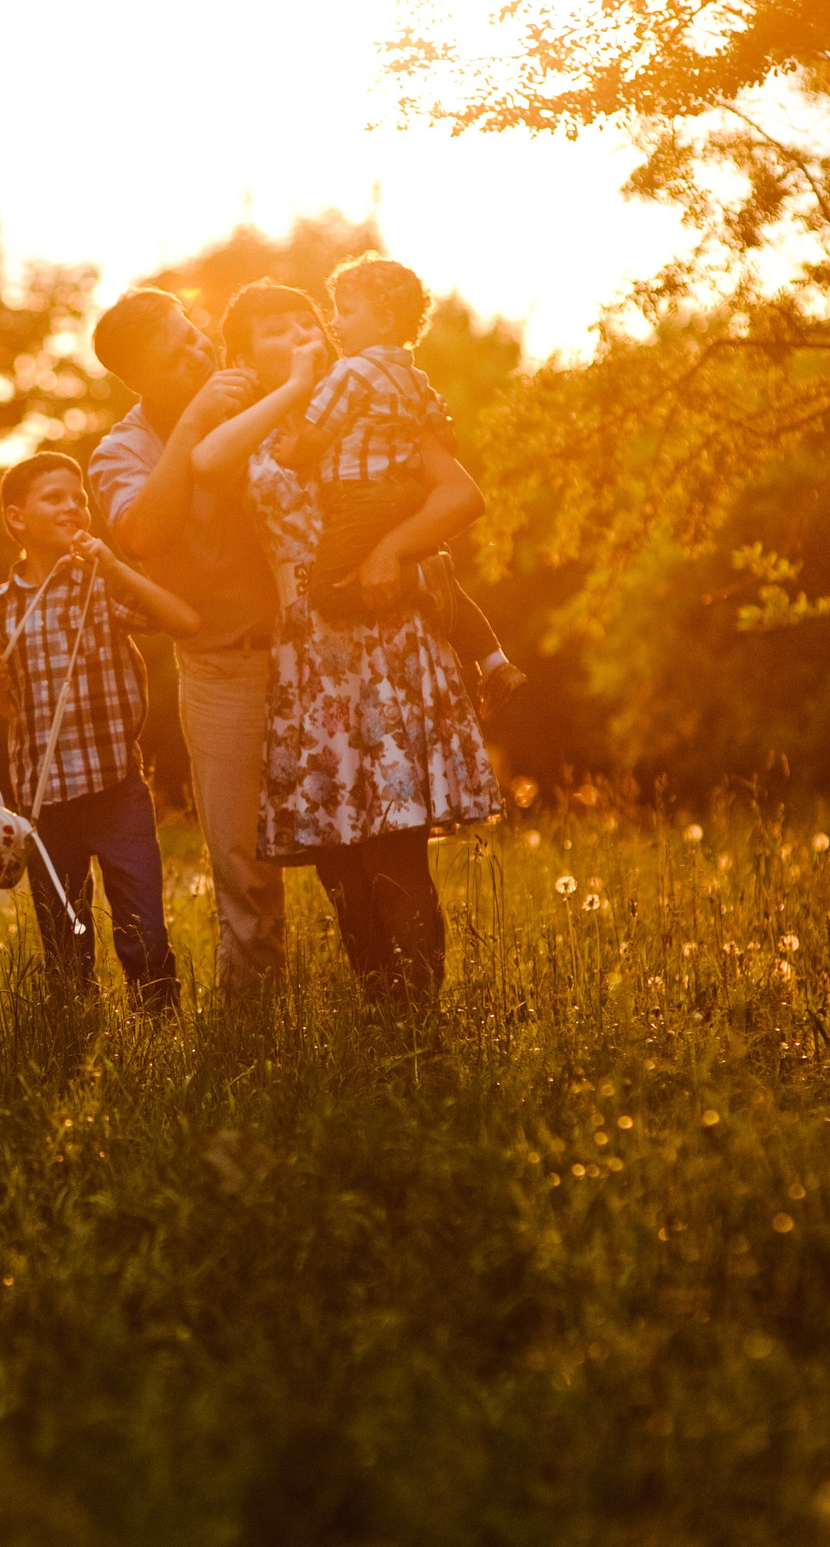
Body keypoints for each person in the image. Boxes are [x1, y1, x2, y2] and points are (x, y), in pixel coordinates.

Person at [191, 282, 504, 1000]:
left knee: (393, 843)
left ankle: (420, 1025)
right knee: (337, 857)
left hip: (384, 642)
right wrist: (296, 384)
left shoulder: (370, 401)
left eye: (307, 320)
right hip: (306, 657)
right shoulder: (256, 423)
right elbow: (207, 465)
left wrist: (390, 549)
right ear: (244, 354)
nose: (302, 331)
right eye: (276, 328)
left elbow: (461, 495)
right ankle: (378, 1014)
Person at [88, 289, 286, 995]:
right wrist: (197, 422)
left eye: (195, 334)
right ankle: (254, 1040)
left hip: (315, 655)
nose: (202, 351)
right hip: (222, 672)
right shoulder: (120, 451)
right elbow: (143, 534)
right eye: (179, 353)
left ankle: (383, 1019)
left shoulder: (258, 394)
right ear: (140, 379)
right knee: (244, 869)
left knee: (349, 847)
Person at [0, 451, 201, 1009]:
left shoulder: (100, 583)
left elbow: (182, 621)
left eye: (79, 497)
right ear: (17, 519)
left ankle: (156, 1021)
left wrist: (115, 566)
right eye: (55, 498)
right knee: (63, 932)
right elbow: (9, 710)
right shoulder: (1, 606)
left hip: (115, 787)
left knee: (143, 925)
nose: (74, 506)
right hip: (44, 801)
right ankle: (75, 1022)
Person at [274, 252, 527, 714]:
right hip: (407, 496)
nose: (334, 322)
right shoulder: (416, 378)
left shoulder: (348, 372)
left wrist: (287, 449)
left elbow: (313, 438)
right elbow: (446, 440)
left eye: (346, 311)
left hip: (359, 497)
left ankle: (422, 578)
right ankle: (492, 659)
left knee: (327, 594)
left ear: (385, 318)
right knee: (444, 583)